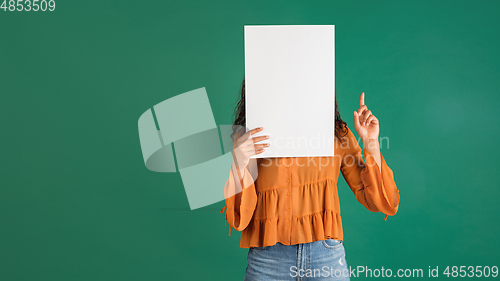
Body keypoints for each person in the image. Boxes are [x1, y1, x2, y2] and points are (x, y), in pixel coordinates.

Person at [220, 79, 400, 280]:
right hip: (267, 260)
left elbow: (381, 202)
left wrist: (372, 143)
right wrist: (239, 162)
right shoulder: (250, 138)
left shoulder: (337, 134)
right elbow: (239, 218)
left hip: (326, 257)